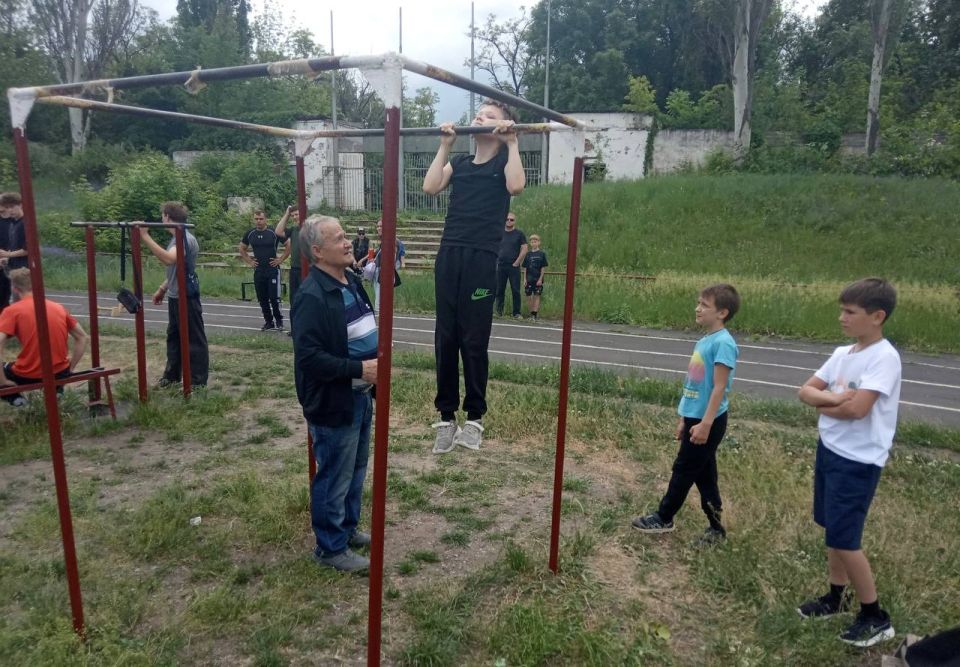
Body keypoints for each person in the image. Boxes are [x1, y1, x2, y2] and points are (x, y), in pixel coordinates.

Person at [796, 278, 901, 648]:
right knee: (831, 531)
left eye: (850, 312)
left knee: (845, 539)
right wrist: (836, 400)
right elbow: (805, 391)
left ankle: (874, 616)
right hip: (831, 450)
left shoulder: (884, 357)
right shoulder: (844, 353)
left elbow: (859, 410)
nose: (842, 317)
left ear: (877, 316)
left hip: (858, 460)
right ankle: (836, 596)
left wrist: (830, 402)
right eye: (841, 310)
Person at [422, 99, 525, 454]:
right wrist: (444, 144)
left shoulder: (502, 163)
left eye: (490, 115)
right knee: (445, 337)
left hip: (482, 261)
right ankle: (446, 417)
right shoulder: (461, 163)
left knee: (474, 339)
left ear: (503, 127)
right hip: (450, 256)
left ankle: (475, 418)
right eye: (479, 113)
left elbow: (516, 186)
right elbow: (430, 187)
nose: (479, 117)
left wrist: (513, 143)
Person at [292, 214, 378, 573]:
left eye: (346, 237)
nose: (348, 243)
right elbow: (310, 358)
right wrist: (359, 369)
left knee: (356, 469)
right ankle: (329, 548)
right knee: (334, 474)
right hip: (335, 401)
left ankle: (346, 528)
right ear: (317, 250)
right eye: (339, 238)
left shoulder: (350, 281)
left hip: (360, 397)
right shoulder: (311, 296)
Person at [632, 284, 740, 544]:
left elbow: (719, 388)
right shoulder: (705, 340)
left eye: (705, 305)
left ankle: (664, 517)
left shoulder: (724, 343)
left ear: (722, 312)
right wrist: (684, 418)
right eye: (698, 303)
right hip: (696, 418)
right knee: (704, 475)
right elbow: (693, 384)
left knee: (684, 469)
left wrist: (705, 424)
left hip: (708, 420)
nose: (698, 308)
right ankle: (716, 528)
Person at [138, 202, 209, 389]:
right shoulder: (177, 238)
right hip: (176, 295)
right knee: (174, 337)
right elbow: (177, 268)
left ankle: (197, 381)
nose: (162, 219)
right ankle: (171, 376)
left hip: (187, 296)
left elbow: (170, 259)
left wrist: (145, 236)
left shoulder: (184, 237)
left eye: (163, 216)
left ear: (167, 217)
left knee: (194, 339)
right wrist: (163, 288)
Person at [0, 268, 88, 407]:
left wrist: (3, 380)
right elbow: (82, 337)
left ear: (15, 289)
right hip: (59, 372)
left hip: (29, 375)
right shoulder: (58, 307)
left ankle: (17, 400)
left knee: (7, 370)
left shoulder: (12, 311)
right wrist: (70, 369)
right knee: (53, 365)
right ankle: (57, 390)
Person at [240, 209, 289, 332]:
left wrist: (280, 259)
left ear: (265, 219)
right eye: (256, 219)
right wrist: (250, 261)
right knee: (262, 298)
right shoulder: (250, 233)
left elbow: (289, 245)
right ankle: (268, 322)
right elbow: (242, 248)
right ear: (254, 219)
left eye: (261, 219)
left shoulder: (273, 232)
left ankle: (279, 321)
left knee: (274, 298)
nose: (258, 221)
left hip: (272, 269)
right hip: (259, 270)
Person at [361, 218, 405, 315]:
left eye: (381, 226)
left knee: (380, 299)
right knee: (380, 298)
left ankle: (381, 320)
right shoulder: (384, 241)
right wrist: (366, 260)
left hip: (384, 272)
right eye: (378, 226)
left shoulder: (392, 240)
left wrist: (386, 269)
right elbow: (377, 253)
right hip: (380, 271)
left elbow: (393, 257)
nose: (379, 228)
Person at [275, 205, 305, 328]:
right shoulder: (293, 230)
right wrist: (287, 213)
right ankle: (295, 328)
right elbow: (278, 231)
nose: (294, 217)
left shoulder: (311, 229)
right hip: (295, 270)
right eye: (293, 215)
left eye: (297, 214)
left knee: (307, 300)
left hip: (308, 270)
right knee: (294, 300)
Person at [494, 212, 527, 319]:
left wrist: (517, 262)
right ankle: (499, 312)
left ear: (515, 221)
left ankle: (516, 313)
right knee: (499, 290)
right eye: (507, 219)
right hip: (501, 266)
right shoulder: (499, 233)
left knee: (515, 290)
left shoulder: (519, 234)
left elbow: (525, 248)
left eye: (511, 219)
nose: (509, 221)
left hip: (513, 266)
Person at [0, 192, 28, 312]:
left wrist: (8, 254)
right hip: (14, 268)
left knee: (22, 303)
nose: (10, 210)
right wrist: (7, 258)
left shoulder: (25, 223)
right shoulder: (13, 223)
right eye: (7, 208)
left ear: (21, 205)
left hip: (24, 270)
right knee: (15, 303)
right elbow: (15, 246)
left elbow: (28, 249)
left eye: (12, 207)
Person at [522, 234, 548, 321]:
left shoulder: (542, 254)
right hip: (529, 278)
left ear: (539, 242)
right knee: (528, 296)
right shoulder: (528, 254)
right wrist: (524, 279)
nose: (533, 243)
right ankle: (530, 313)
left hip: (537, 279)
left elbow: (543, 268)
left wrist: (540, 279)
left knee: (537, 296)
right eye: (532, 242)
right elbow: (525, 267)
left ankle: (534, 314)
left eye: (535, 241)